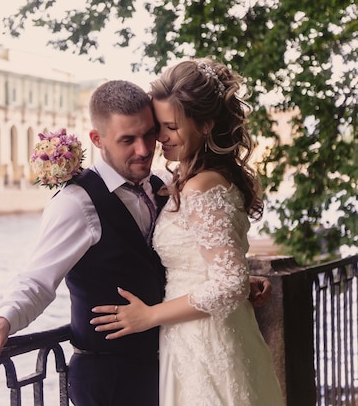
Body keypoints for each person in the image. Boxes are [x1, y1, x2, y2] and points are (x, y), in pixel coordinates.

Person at [0, 79, 271, 406]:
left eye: (149, 134)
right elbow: (38, 279)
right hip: (108, 379)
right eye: (128, 139)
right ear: (97, 139)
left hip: (169, 367)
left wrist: (226, 281)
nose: (144, 149)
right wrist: (4, 319)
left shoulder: (163, 186)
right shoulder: (75, 202)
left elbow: (179, 259)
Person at [91, 59, 284, 406]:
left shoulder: (200, 187)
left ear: (206, 125)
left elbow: (228, 284)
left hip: (205, 340)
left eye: (170, 127)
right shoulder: (205, 178)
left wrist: (149, 315)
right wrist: (242, 281)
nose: (158, 139)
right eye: (157, 127)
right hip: (203, 334)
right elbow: (222, 267)